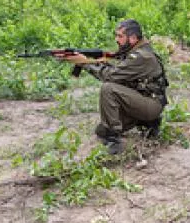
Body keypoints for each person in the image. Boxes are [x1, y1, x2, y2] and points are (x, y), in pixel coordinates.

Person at [61, 19, 169, 155]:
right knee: (100, 130)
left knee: (108, 88)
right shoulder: (138, 50)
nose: (116, 39)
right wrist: (93, 60)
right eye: (116, 35)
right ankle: (148, 123)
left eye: (120, 36)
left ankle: (114, 140)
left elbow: (110, 76)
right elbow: (120, 73)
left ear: (133, 38)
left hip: (151, 105)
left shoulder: (141, 56)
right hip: (147, 100)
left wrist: (85, 63)